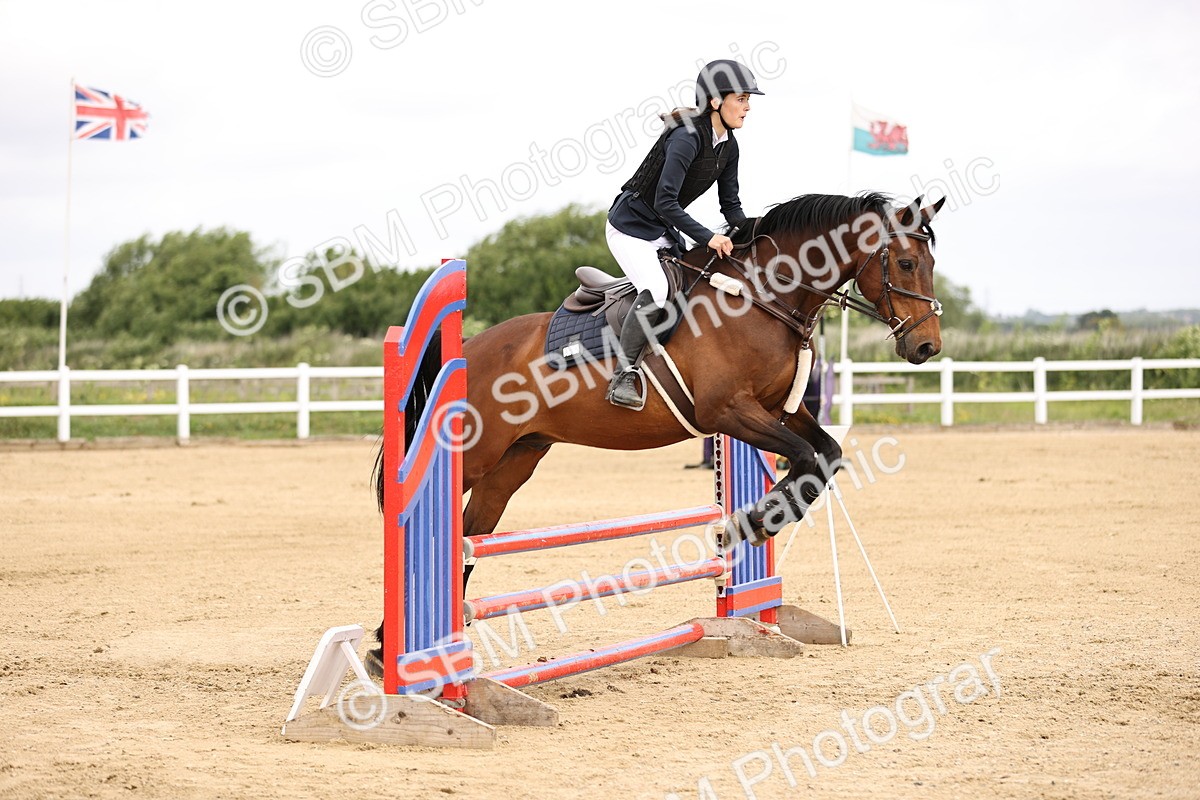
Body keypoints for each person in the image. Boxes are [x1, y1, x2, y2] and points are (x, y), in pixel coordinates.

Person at [604, 59, 764, 410]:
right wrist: (709, 237)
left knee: (694, 285)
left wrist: (761, 232)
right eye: (741, 98)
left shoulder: (729, 145)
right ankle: (624, 375)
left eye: (748, 100)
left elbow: (731, 207)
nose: (748, 106)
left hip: (662, 229)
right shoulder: (686, 137)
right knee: (658, 289)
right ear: (715, 101)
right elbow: (665, 200)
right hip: (630, 226)